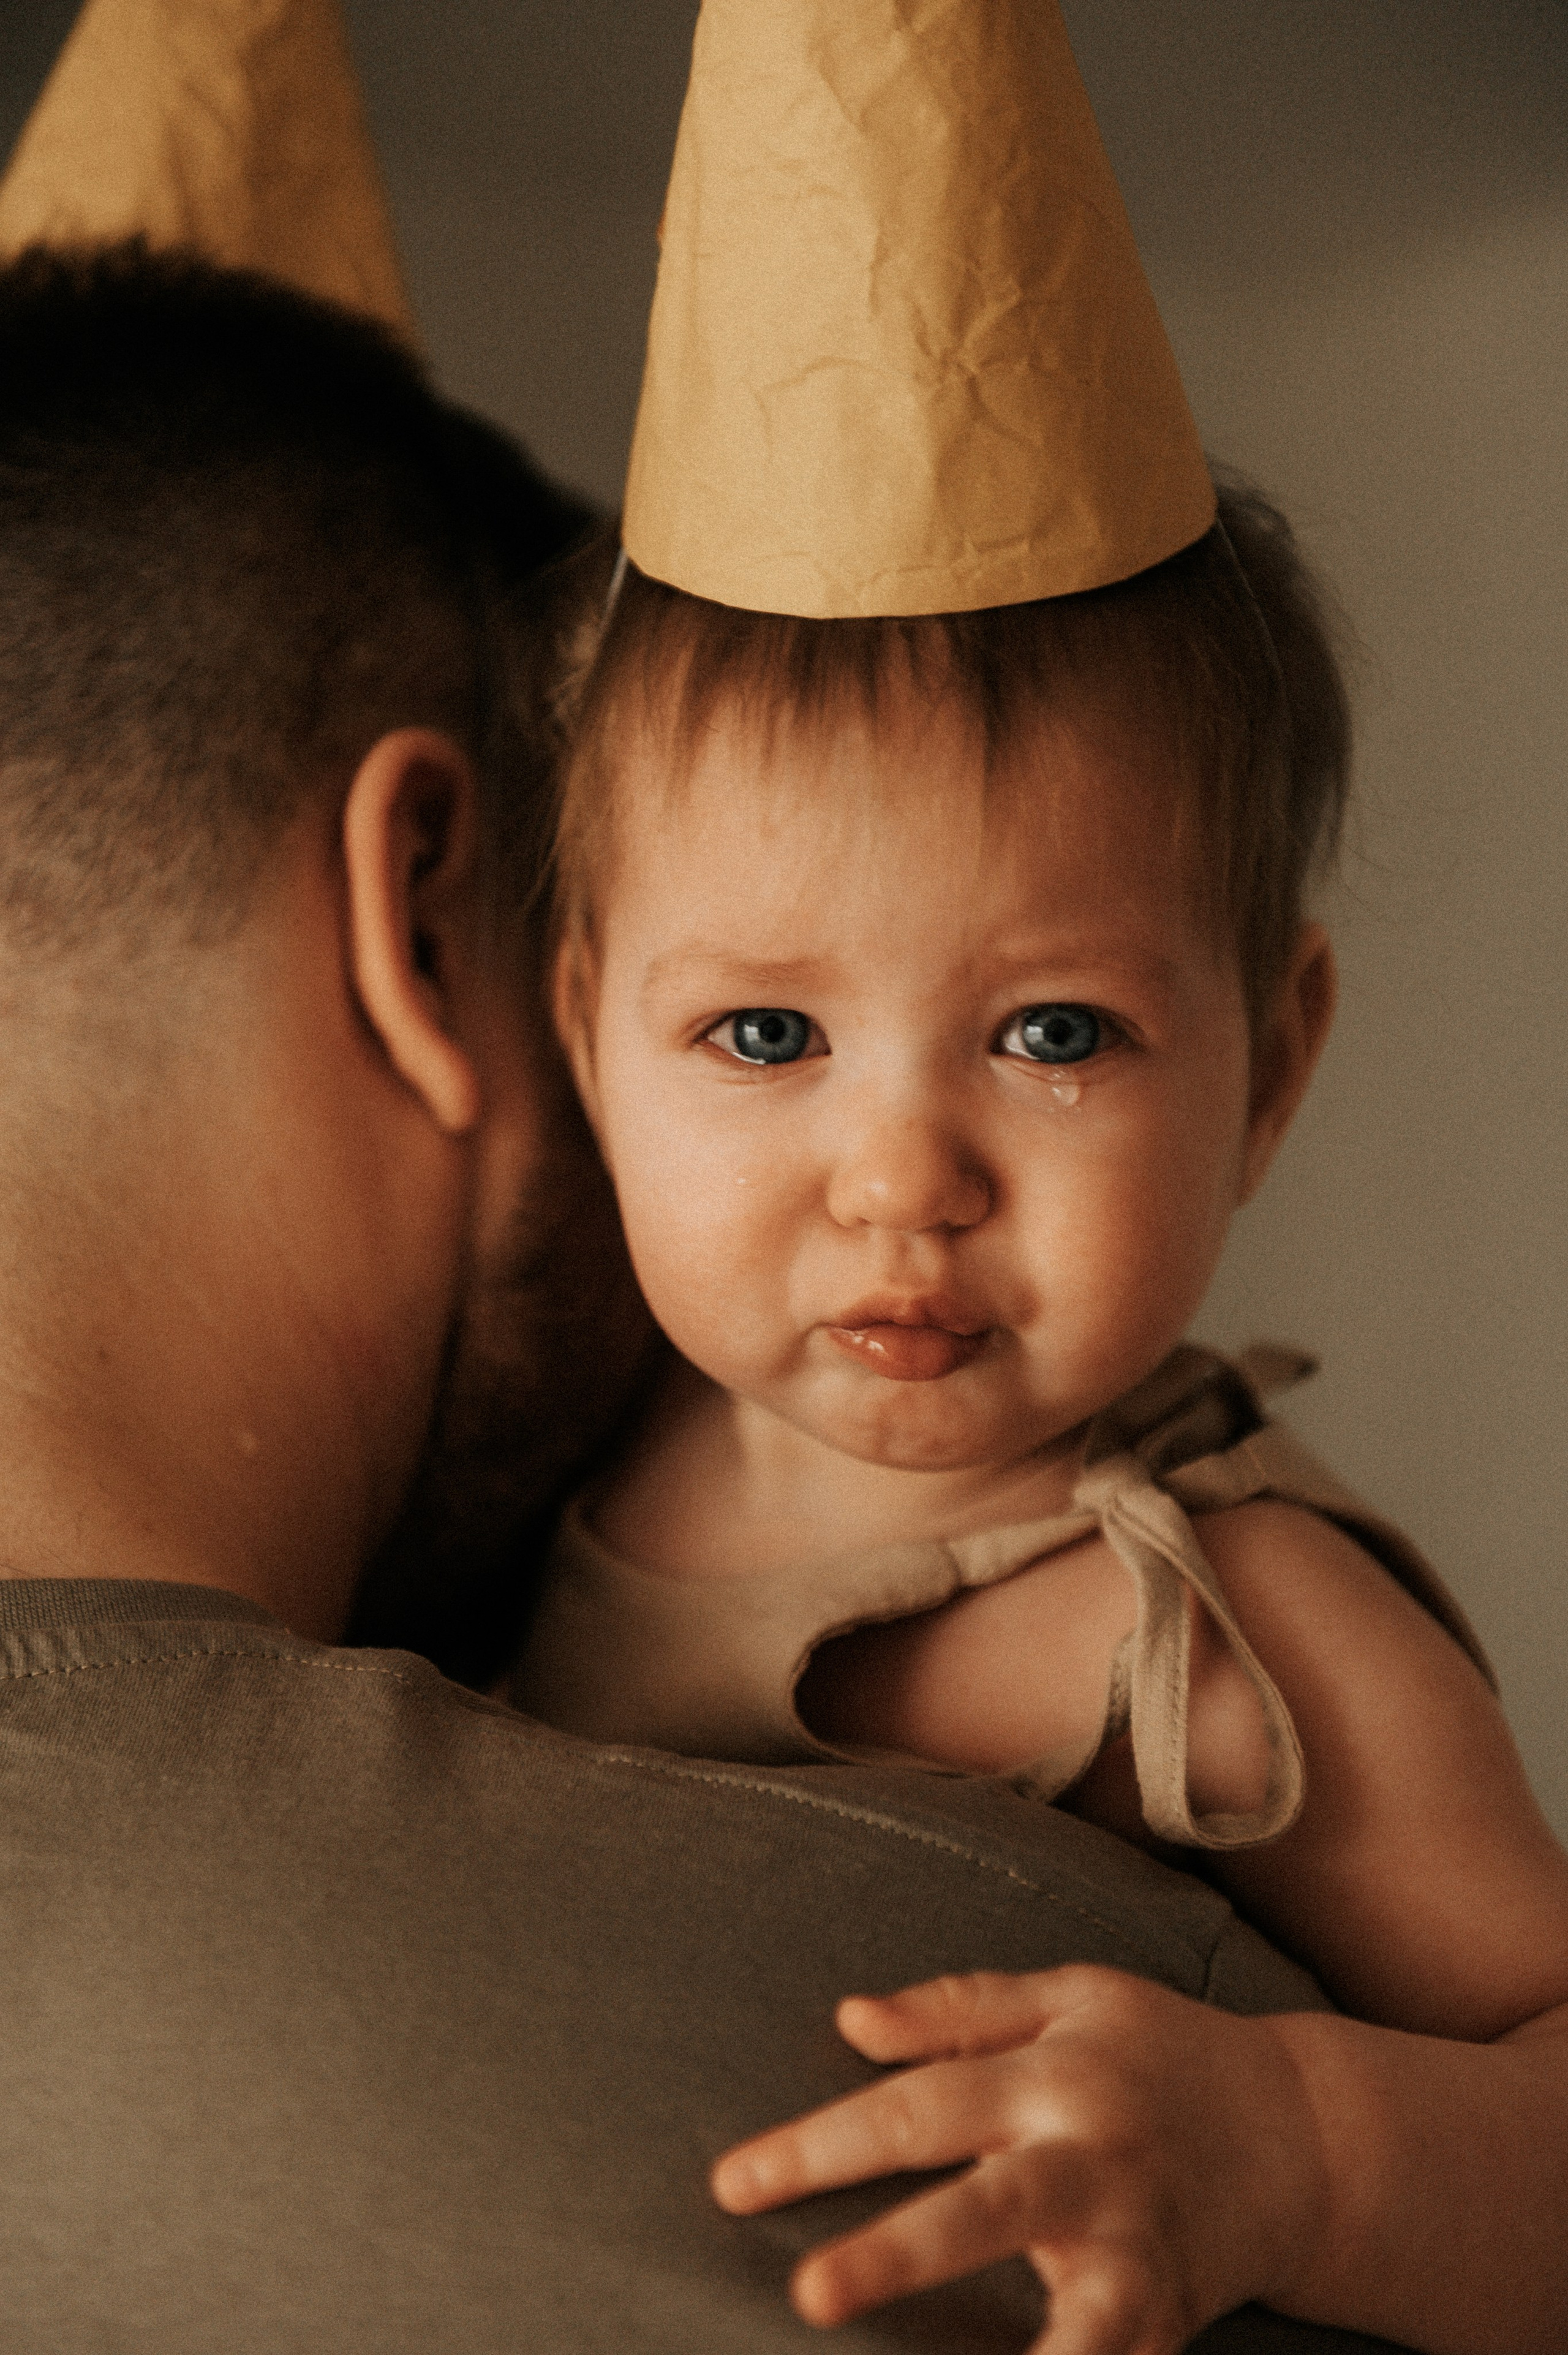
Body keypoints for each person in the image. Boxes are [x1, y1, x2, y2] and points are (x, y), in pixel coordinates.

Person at [503, 1, 1568, 2347]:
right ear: (585, 1024)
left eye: (1056, 1034)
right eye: (763, 1032)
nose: (902, 1174)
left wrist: (1303, 2146)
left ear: (1269, 1063)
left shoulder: (1242, 1649)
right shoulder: (533, 1433)